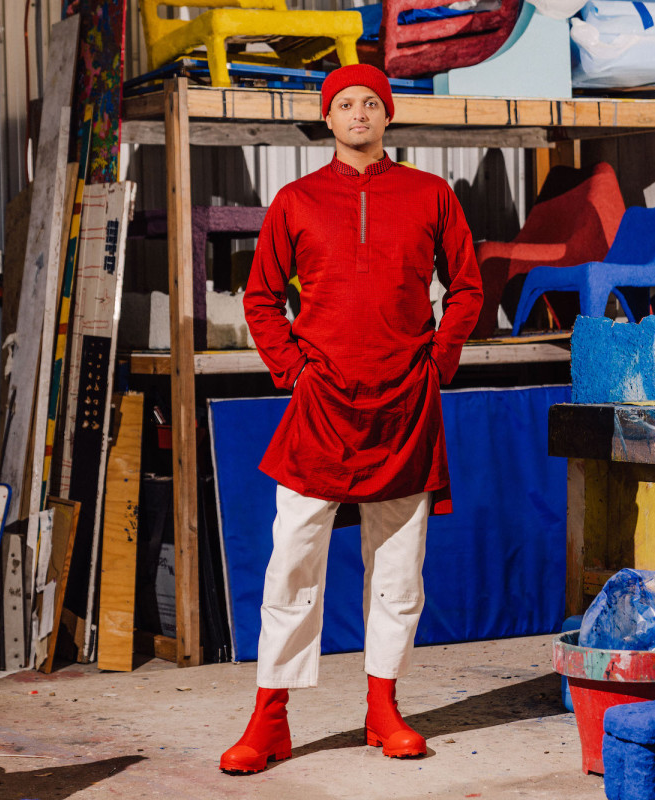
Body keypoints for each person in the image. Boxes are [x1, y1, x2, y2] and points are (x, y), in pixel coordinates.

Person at [222, 63, 483, 774]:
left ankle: (383, 708)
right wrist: (295, 371)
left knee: (399, 569)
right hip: (321, 403)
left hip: (405, 402)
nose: (359, 113)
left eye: (371, 102)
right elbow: (261, 298)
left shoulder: (430, 195)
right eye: (346, 104)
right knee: (291, 564)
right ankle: (269, 718)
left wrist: (438, 362)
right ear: (328, 120)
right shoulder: (295, 201)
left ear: (388, 115)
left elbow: (466, 287)